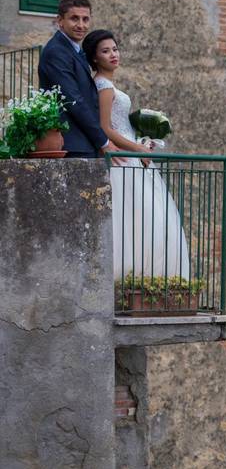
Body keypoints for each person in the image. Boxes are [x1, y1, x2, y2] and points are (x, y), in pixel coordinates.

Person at [82, 29, 191, 281]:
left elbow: (120, 127)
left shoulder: (107, 84)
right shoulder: (103, 85)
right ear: (95, 58)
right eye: (105, 51)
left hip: (130, 153)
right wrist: (137, 148)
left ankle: (146, 278)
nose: (113, 54)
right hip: (122, 159)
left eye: (115, 49)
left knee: (146, 215)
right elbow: (105, 127)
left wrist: (141, 141)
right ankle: (136, 277)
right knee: (138, 216)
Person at [37, 0, 121, 158]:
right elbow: (74, 101)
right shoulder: (56, 52)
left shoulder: (74, 50)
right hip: (71, 145)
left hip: (83, 143)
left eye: (85, 19)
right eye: (74, 18)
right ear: (60, 21)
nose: (81, 25)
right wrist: (103, 142)